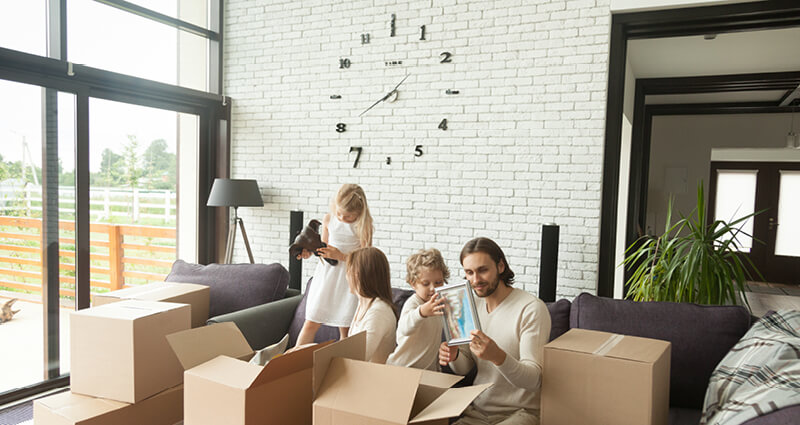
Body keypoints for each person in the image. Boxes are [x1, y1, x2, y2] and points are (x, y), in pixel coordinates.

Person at [439, 237, 552, 425]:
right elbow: (465, 368)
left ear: (500, 266)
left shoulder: (531, 308)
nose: (476, 280)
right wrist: (455, 356)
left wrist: (498, 356)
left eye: (483, 270)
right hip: (478, 412)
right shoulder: (469, 305)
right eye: (469, 272)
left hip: (521, 414)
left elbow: (534, 380)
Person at [295, 184, 374, 346]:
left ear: (360, 212)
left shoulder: (363, 225)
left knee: (345, 328)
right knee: (311, 322)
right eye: (339, 213)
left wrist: (341, 256)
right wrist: (309, 252)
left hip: (349, 280)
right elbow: (323, 247)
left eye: (349, 216)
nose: (342, 219)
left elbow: (366, 258)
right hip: (326, 276)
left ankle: (344, 365)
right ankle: (292, 361)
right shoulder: (329, 218)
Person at [386, 248, 450, 371]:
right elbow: (403, 329)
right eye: (426, 284)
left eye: (438, 282)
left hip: (426, 371)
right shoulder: (413, 303)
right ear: (413, 284)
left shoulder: (439, 304)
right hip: (402, 368)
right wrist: (421, 312)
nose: (433, 288)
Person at [346, 247, 398, 363]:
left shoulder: (379, 311)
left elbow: (359, 357)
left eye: (349, 271)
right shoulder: (362, 303)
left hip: (373, 378)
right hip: (360, 373)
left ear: (358, 275)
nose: (346, 276)